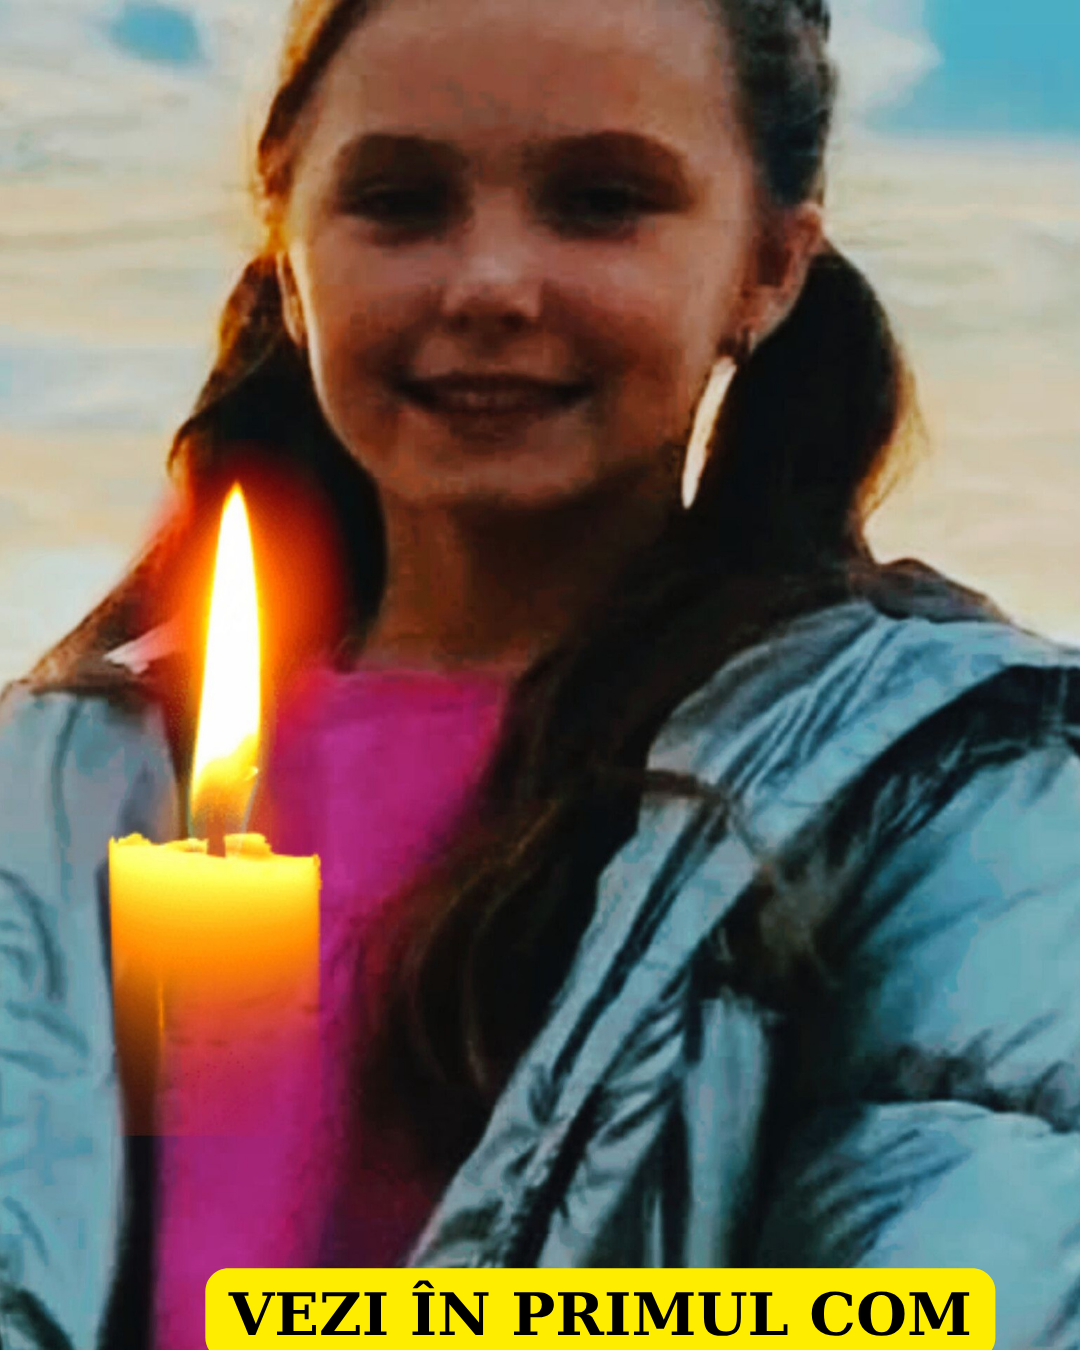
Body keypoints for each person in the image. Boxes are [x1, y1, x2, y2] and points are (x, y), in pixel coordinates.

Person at [2, 0, 1080, 1345]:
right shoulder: (62, 784)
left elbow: (940, 1306)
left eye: (601, 203)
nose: (490, 284)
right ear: (287, 248)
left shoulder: (944, 785)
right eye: (400, 203)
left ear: (768, 266)